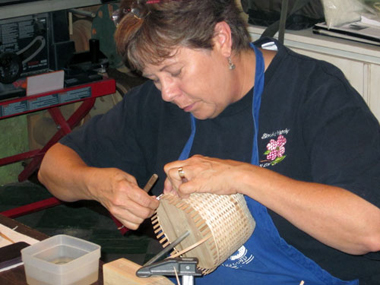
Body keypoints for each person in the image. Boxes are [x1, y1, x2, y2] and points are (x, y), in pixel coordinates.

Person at [38, 0, 380, 284]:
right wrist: (98, 185)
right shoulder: (156, 104)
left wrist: (240, 176)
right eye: (154, 79)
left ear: (221, 40)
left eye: (174, 72)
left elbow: (369, 230)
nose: (167, 93)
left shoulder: (314, 92)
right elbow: (52, 166)